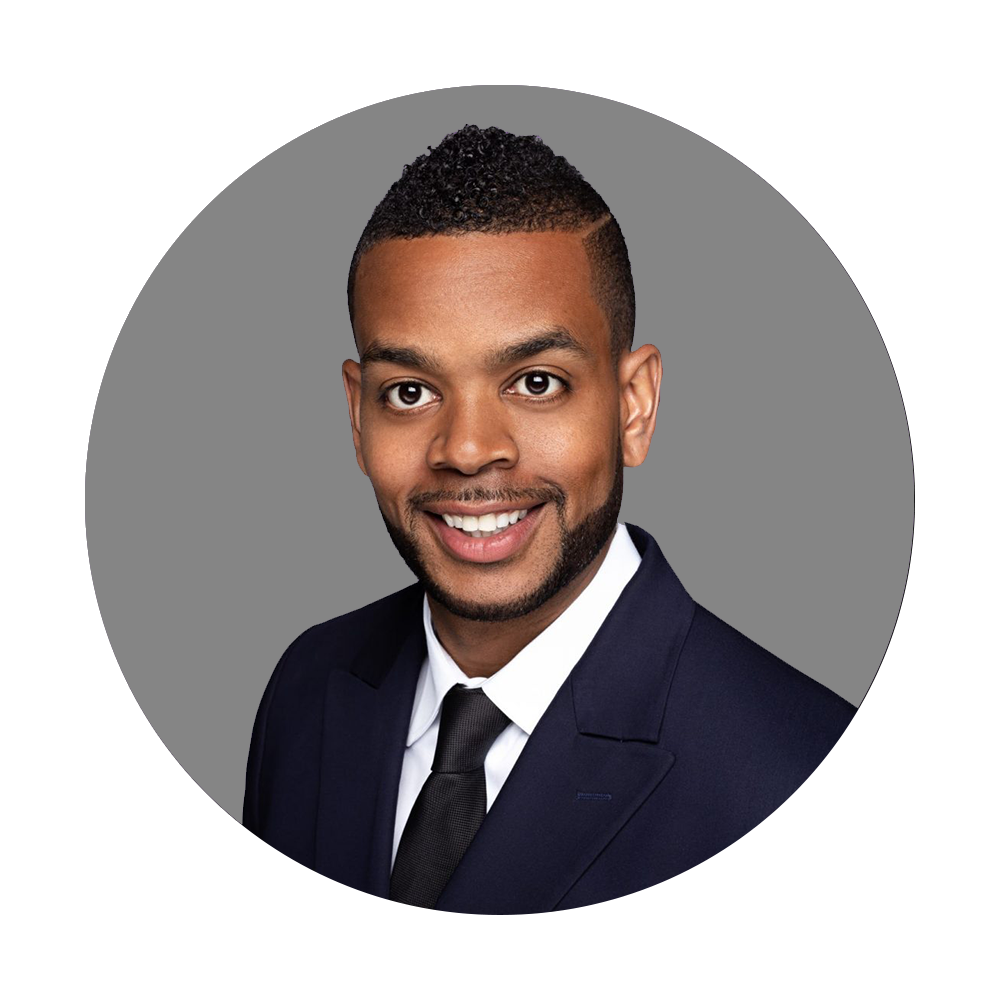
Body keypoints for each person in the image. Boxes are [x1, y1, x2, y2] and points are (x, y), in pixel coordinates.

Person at [243, 124, 858, 918]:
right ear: (357, 417)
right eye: (409, 392)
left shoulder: (805, 775)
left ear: (634, 406)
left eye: (536, 382)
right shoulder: (308, 690)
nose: (467, 451)